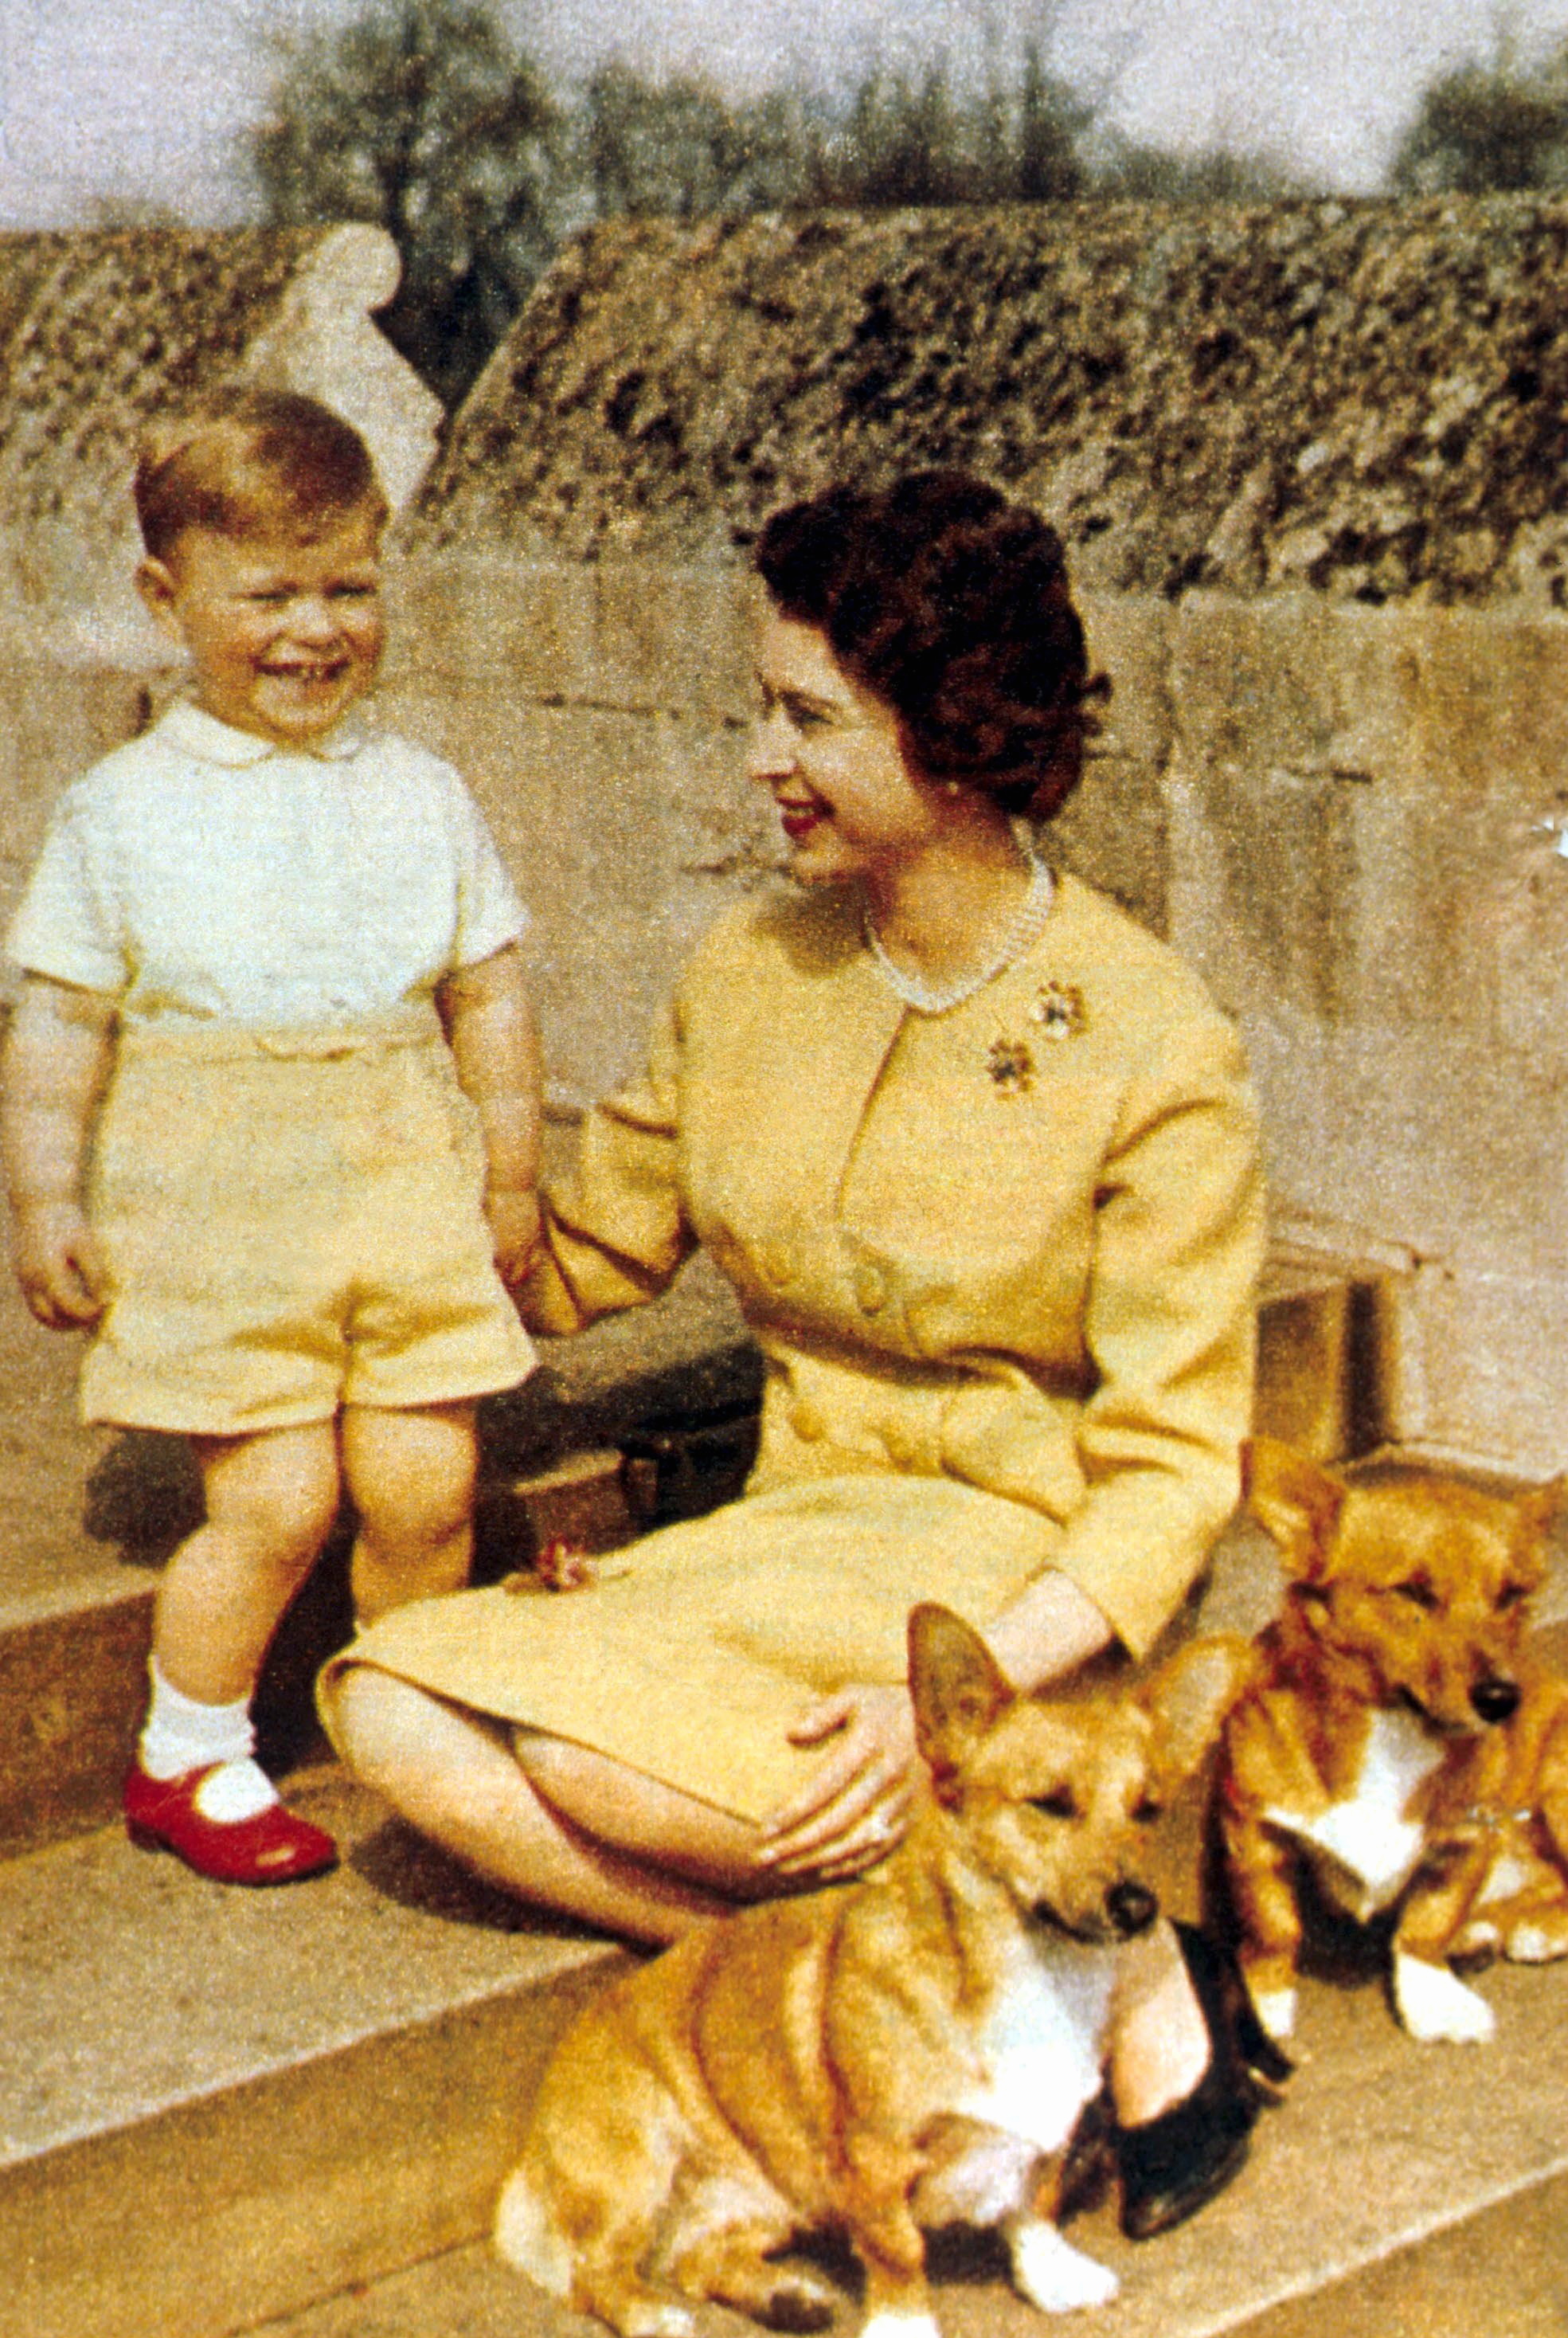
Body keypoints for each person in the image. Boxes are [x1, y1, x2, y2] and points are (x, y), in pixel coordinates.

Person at [323, 468, 1267, 2233]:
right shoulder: (749, 964)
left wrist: (982, 1675)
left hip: (999, 1565)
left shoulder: (1151, 1038)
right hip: (787, 1524)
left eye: (808, 717)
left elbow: (1170, 1464)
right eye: (763, 708)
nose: (762, 756)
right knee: (391, 1700)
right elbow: (588, 1248)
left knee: (592, 1766)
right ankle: (978, 1987)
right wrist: (358, 1190)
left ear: (959, 732)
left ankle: (1099, 1982)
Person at [0, 388, 542, 1886]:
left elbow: (487, 995)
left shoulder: (422, 793)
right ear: (167, 600)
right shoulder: (123, 811)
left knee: (430, 1483)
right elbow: (59, 1031)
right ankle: (191, 1753)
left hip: (400, 1189)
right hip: (219, 1200)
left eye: (349, 589)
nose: (316, 630)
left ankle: (415, 1716)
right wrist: (43, 1196)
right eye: (270, 596)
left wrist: (510, 1174)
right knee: (281, 1494)